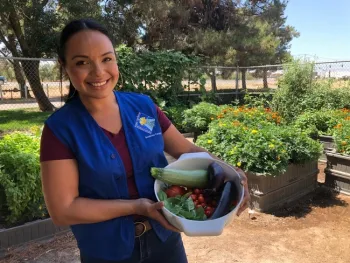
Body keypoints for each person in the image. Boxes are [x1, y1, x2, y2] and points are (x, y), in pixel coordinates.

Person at [40, 18, 251, 263]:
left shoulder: (143, 107)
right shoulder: (60, 129)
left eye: (106, 58)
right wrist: (136, 207)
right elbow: (63, 210)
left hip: (166, 244)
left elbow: (187, 151)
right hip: (106, 253)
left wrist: (232, 173)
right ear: (65, 67)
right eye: (82, 62)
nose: (98, 72)